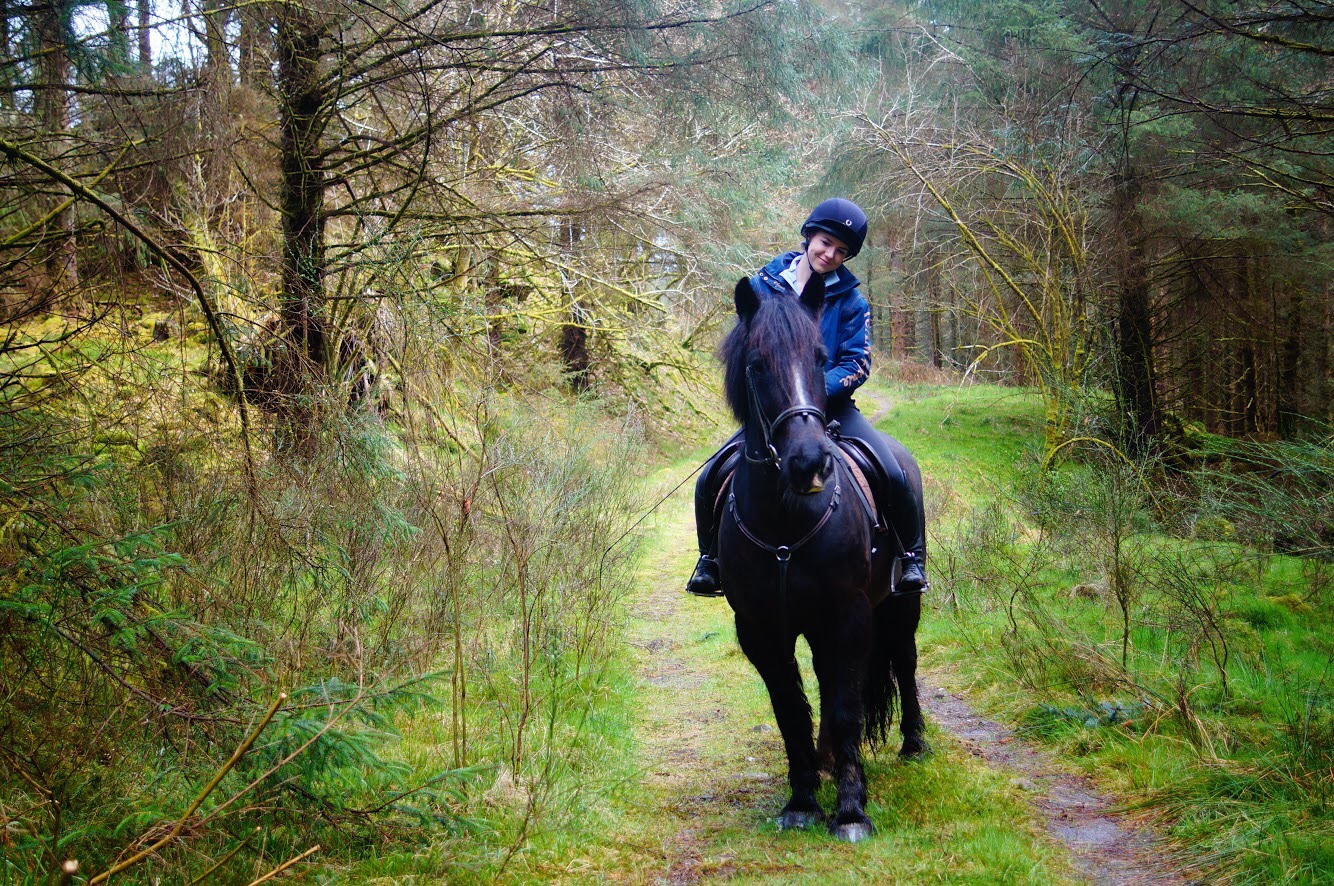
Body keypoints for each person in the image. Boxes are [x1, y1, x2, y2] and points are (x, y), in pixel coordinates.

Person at [686, 197, 929, 598]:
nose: (830, 254)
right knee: (710, 475)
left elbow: (857, 363)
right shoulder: (762, 287)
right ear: (809, 236)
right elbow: (742, 352)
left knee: (894, 472)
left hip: (832, 408)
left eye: (841, 251)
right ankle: (709, 560)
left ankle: (911, 559)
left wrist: (811, 392)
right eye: (826, 242)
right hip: (775, 413)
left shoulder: (851, 302)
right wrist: (778, 394)